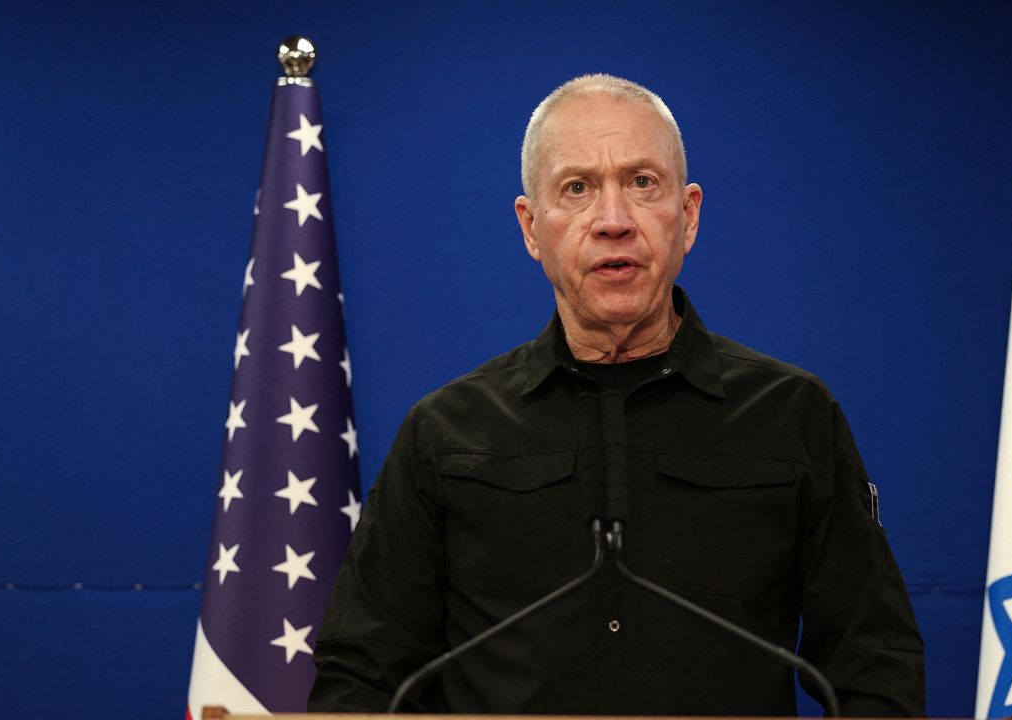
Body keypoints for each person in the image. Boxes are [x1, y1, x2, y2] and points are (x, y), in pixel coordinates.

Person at [309, 74, 924, 716]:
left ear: (686, 216)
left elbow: (874, 665)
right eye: (577, 189)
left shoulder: (793, 416)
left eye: (641, 183)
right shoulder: (444, 434)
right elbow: (362, 674)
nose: (612, 221)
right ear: (531, 227)